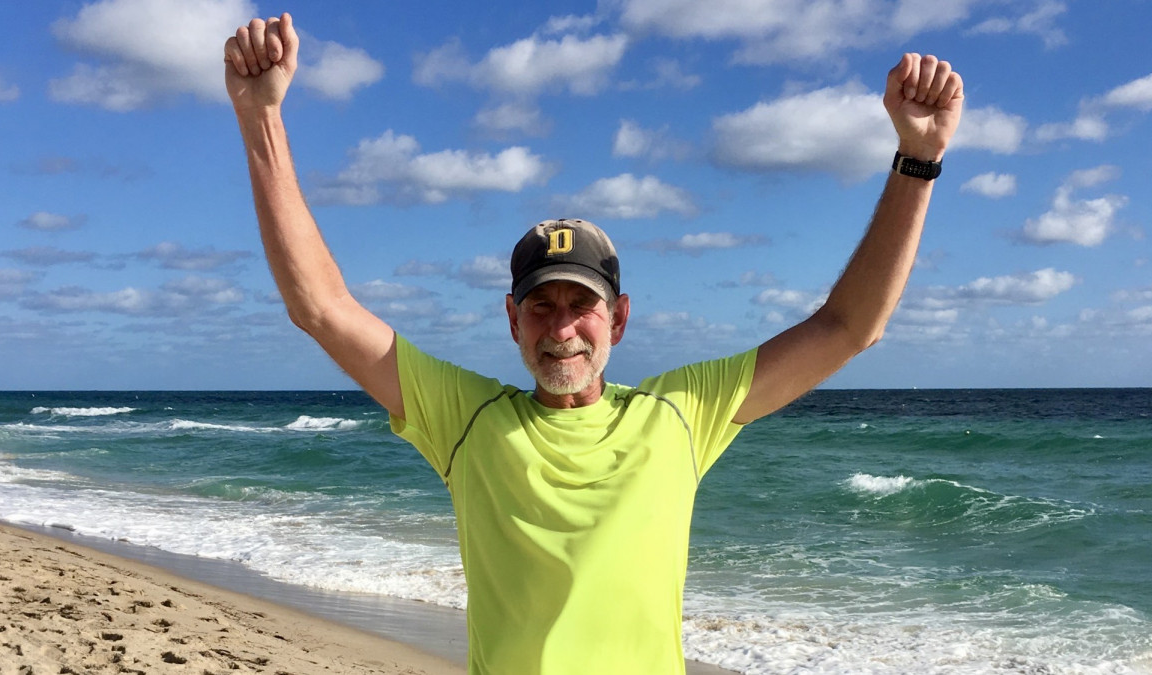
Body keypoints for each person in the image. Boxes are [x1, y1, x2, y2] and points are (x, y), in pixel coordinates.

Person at [224, 12, 963, 675]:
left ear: (620, 319)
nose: (562, 326)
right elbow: (321, 307)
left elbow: (848, 327)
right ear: (512, 321)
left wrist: (917, 161)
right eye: (541, 305)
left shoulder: (680, 414)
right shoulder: (468, 421)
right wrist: (262, 117)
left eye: (582, 304)